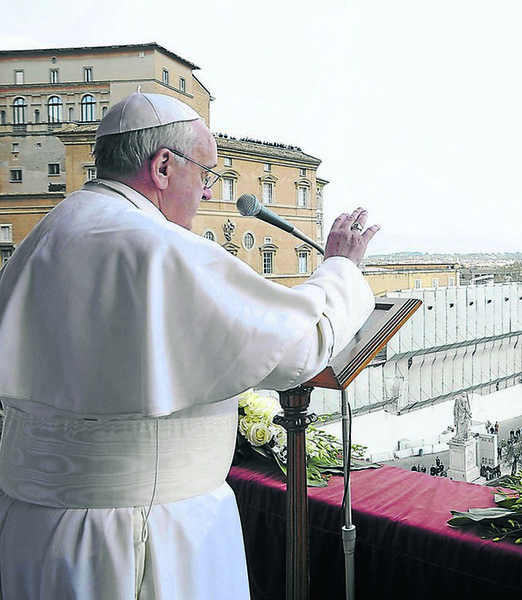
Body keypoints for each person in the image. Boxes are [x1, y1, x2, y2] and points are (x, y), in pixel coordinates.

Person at [0, 93, 379, 599]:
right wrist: (341, 270)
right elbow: (298, 347)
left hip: (35, 529)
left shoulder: (42, 236)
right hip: (143, 534)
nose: (206, 192)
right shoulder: (158, 247)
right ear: (162, 166)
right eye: (206, 175)